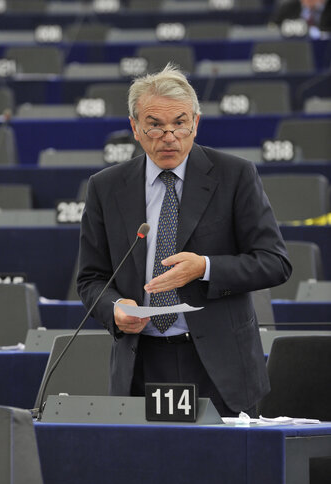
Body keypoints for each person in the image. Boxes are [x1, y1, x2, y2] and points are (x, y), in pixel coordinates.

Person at [77, 63, 292, 417]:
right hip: (140, 363)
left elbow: (275, 262)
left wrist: (204, 268)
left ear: (196, 122)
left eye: (180, 123)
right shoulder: (106, 187)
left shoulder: (235, 175)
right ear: (135, 127)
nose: (169, 136)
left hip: (219, 365)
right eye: (155, 125)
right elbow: (90, 279)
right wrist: (114, 309)